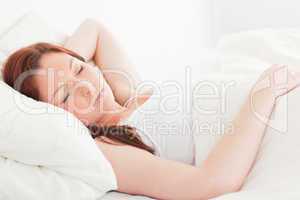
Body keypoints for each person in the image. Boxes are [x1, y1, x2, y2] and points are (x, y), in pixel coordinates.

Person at [2, 19, 300, 200]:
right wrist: (264, 94)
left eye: (80, 69)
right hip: (271, 113)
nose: (86, 88)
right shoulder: (107, 149)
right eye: (65, 96)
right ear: (54, 115)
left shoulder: (124, 92)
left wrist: (57, 67)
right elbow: (210, 184)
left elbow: (95, 28)